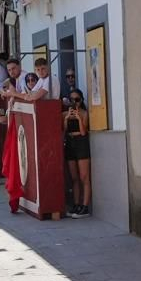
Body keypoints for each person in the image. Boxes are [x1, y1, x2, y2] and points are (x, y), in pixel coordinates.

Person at [64, 88, 91, 218]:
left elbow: (83, 132)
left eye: (77, 100)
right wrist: (66, 119)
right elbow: (63, 132)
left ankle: (85, 206)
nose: (75, 102)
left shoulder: (84, 113)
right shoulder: (65, 114)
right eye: (72, 100)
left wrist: (79, 118)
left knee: (84, 177)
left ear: (81, 100)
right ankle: (76, 204)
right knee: (74, 177)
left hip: (81, 142)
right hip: (70, 142)